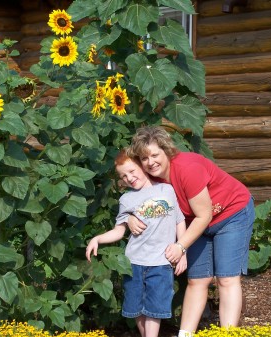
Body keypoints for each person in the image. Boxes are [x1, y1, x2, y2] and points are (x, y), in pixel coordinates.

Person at [127, 126, 255, 337]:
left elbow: (203, 215)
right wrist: (132, 217)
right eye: (144, 158)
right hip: (196, 223)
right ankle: (185, 335)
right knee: (197, 280)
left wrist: (180, 246)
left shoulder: (187, 168)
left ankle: (228, 334)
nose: (150, 162)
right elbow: (140, 203)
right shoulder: (152, 179)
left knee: (226, 278)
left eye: (155, 155)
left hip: (231, 213)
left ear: (166, 151)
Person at [85, 149, 187, 337]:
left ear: (142, 165)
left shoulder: (166, 189)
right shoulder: (126, 199)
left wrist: (183, 251)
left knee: (155, 308)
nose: (129, 178)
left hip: (161, 262)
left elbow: (179, 221)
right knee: (136, 308)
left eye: (132, 171)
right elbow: (118, 231)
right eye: (124, 176)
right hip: (134, 263)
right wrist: (97, 238)